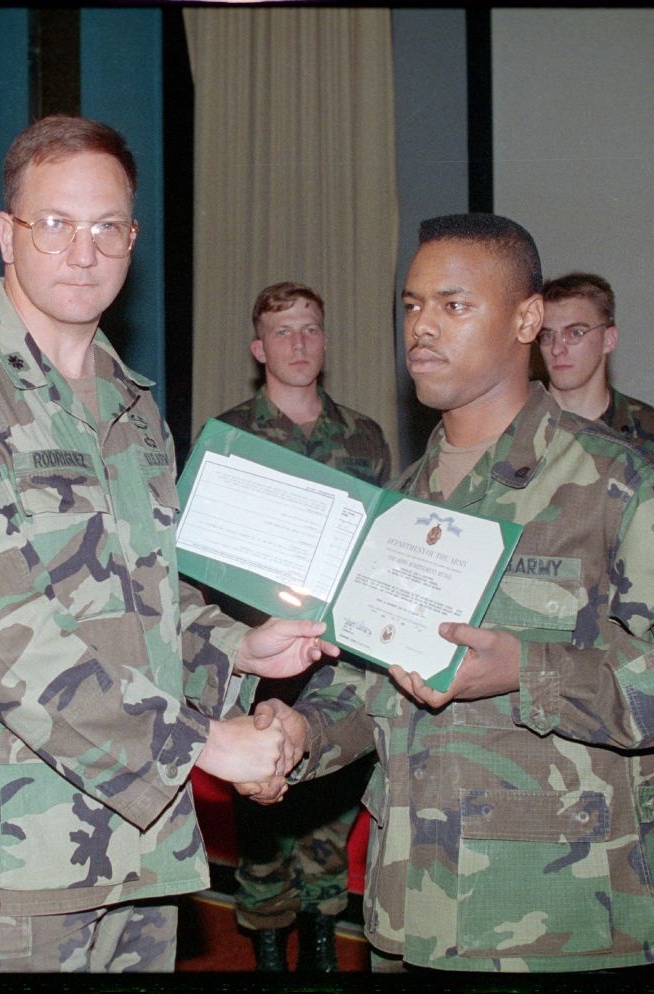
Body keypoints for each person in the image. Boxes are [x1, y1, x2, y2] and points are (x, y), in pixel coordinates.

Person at [0, 115, 337, 974]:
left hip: (136, 844)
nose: (83, 252)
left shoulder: (131, 404)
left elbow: (149, 600)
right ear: (7, 234)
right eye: (55, 223)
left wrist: (242, 647)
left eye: (106, 227)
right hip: (8, 856)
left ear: (132, 239)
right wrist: (201, 743)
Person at [243, 214, 654, 973]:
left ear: (527, 318)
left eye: (454, 306)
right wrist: (302, 736)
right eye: (412, 306)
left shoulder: (611, 484)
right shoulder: (402, 503)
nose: (423, 329)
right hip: (410, 911)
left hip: (561, 923)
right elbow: (370, 680)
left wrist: (532, 670)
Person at [213, 281, 391, 972]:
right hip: (255, 654)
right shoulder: (228, 437)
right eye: (282, 332)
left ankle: (320, 935)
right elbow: (202, 556)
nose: (298, 343)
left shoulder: (366, 437)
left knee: (330, 809)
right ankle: (265, 944)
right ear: (259, 349)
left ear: (324, 340)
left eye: (310, 329)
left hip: (340, 658)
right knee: (260, 814)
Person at [537, 272, 654, 503]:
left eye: (575, 333)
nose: (557, 349)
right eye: (547, 336)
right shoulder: (518, 426)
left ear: (609, 339)